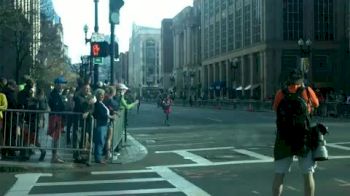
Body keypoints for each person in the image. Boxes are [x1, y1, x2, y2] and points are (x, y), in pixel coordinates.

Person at [272, 69, 319, 196]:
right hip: (303, 138)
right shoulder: (307, 91)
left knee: (279, 175)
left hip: (283, 138)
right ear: (301, 80)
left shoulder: (280, 93)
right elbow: (316, 104)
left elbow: (275, 109)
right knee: (308, 175)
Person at [93, 89, 116, 163]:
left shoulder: (101, 103)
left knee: (102, 141)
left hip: (105, 124)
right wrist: (110, 117)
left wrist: (112, 112)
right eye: (100, 94)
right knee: (100, 141)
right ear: (97, 95)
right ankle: (98, 158)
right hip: (101, 124)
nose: (102, 96)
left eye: (103, 94)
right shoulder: (97, 104)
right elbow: (101, 114)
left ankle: (99, 157)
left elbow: (107, 111)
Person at [47, 77, 67, 163]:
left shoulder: (58, 93)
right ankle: (54, 156)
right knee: (55, 137)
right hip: (56, 117)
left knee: (57, 137)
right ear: (57, 84)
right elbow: (56, 106)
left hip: (58, 117)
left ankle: (55, 155)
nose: (63, 85)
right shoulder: (54, 94)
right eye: (62, 83)